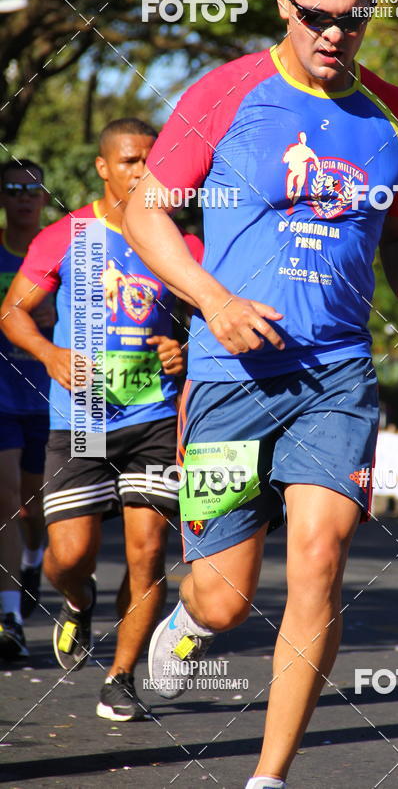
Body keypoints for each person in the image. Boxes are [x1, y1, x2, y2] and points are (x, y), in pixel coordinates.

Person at [123, 0, 398, 789]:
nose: (334, 32)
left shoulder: (395, 113)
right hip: (229, 377)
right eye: (316, 14)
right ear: (283, 4)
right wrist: (213, 301)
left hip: (335, 374)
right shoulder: (223, 94)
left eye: (354, 17)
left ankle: (269, 778)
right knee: (223, 598)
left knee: (320, 558)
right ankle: (188, 623)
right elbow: (148, 214)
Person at [0, 119, 203, 720]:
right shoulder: (67, 235)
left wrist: (186, 349)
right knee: (69, 555)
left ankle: (121, 676)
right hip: (81, 417)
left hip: (154, 415)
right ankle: (77, 600)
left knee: (147, 550)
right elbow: (13, 313)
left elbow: (216, 313)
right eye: (132, 161)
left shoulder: (179, 243)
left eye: (151, 161)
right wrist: (50, 353)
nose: (143, 172)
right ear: (103, 167)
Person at [0, 159, 53, 660]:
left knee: (34, 505)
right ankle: (9, 617)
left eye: (31, 190)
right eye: (13, 189)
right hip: (1, 398)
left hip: (50, 397)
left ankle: (36, 555)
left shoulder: (59, 250)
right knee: (6, 497)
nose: (22, 197)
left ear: (43, 197)